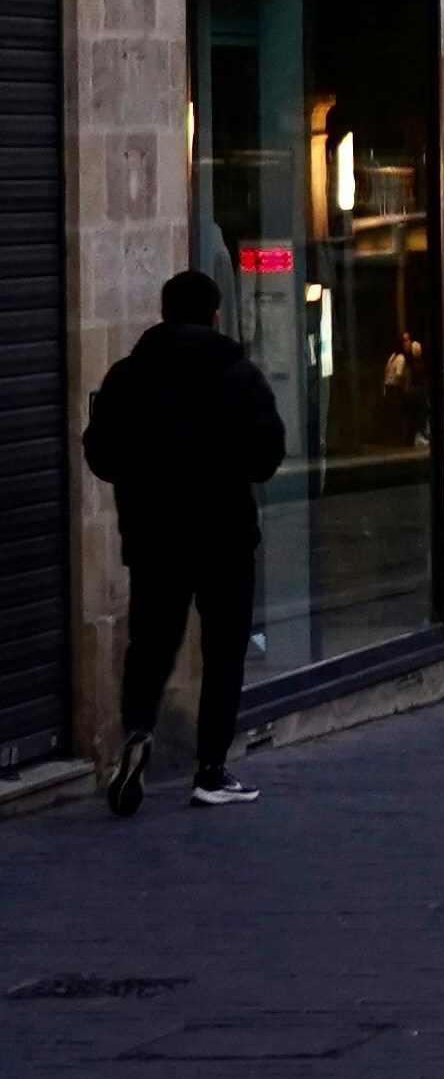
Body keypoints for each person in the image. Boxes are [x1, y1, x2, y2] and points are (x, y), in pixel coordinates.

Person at [83, 262, 286, 813]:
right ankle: (211, 770)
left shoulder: (127, 377)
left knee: (149, 645)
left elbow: (101, 455)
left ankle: (138, 733)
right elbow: (267, 457)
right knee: (224, 653)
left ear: (164, 315)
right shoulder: (240, 377)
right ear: (215, 317)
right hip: (226, 542)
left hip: (154, 541)